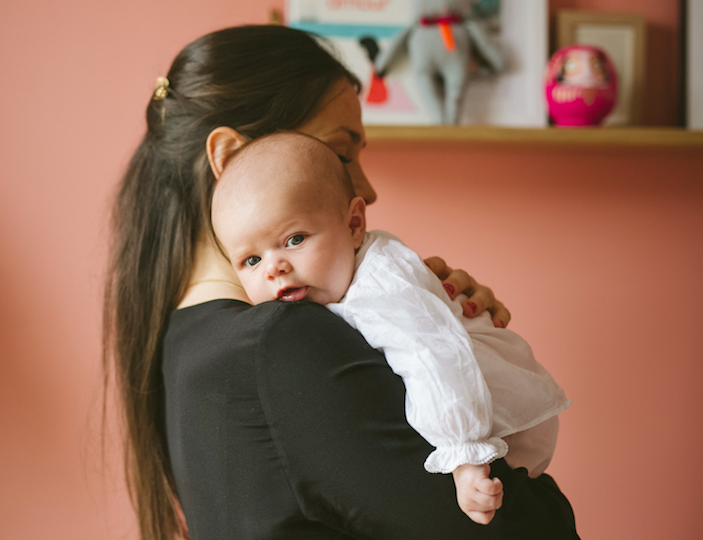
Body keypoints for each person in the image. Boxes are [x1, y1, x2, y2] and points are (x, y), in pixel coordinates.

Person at [103, 24, 579, 540]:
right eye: (341, 153)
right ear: (230, 158)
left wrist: (455, 336)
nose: (368, 191)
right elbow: (524, 527)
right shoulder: (284, 341)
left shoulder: (185, 342)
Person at [211, 131, 572, 525]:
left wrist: (465, 456)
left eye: (294, 239)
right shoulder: (322, 291)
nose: (273, 267)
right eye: (250, 261)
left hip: (503, 424)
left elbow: (435, 357)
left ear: (353, 224)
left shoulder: (382, 283)